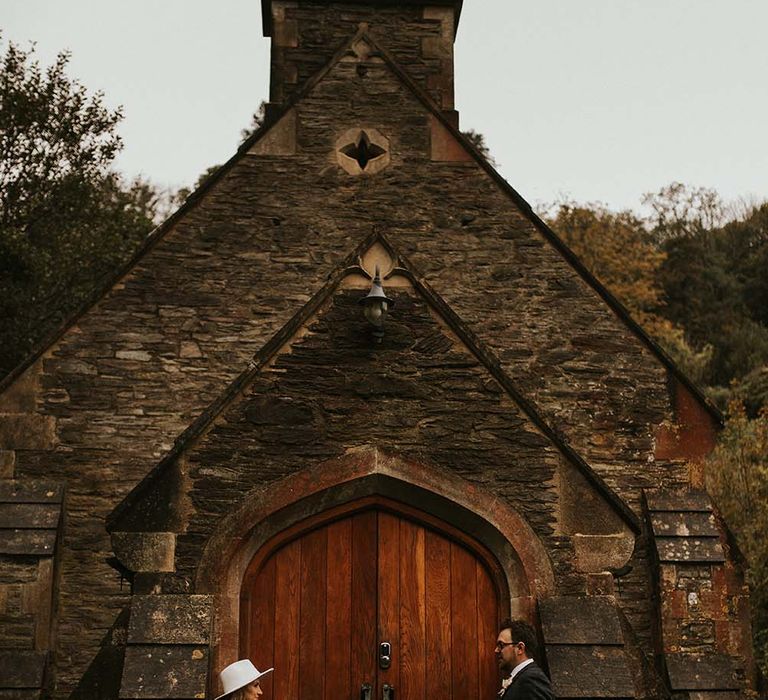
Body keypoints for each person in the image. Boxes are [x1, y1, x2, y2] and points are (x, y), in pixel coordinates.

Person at [495, 618, 554, 700]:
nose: (496, 650)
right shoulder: (522, 678)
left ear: (520, 648)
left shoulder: (532, 680)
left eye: (501, 645)